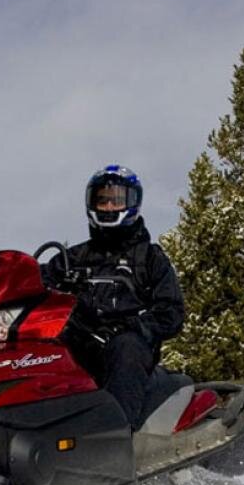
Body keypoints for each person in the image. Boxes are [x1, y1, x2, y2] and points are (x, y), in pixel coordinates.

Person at [42, 165, 185, 428]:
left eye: (116, 200)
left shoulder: (149, 258)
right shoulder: (71, 258)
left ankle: (116, 440)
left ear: (131, 204)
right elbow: (33, 284)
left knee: (125, 348)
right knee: (37, 352)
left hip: (127, 346)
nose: (108, 206)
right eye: (102, 200)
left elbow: (172, 312)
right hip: (79, 340)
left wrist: (135, 326)